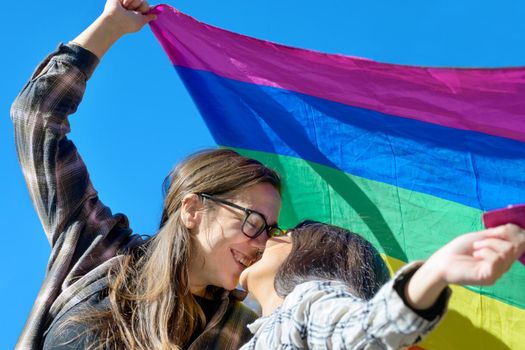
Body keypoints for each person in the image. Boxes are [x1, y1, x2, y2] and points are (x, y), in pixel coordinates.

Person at [11, 0, 284, 349]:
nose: (261, 243)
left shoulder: (247, 331)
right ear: (192, 210)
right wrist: (110, 25)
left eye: (271, 230)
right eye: (253, 221)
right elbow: (35, 116)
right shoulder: (98, 249)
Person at [239, 221, 525, 349]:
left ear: (310, 255)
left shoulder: (310, 299)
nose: (263, 239)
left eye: (280, 232)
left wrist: (434, 272)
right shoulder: (256, 329)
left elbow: (364, 331)